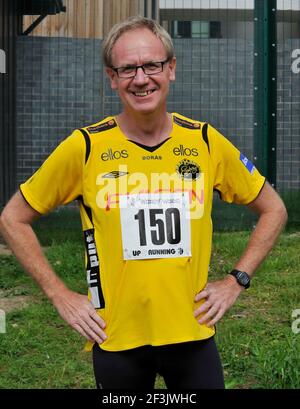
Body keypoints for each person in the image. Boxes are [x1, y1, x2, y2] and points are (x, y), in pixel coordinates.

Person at [0, 16, 287, 389]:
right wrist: (59, 295)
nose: (141, 78)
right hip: (117, 337)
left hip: (193, 333)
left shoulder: (204, 142)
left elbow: (274, 208)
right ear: (112, 77)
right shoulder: (85, 147)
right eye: (127, 68)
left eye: (152, 65)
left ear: (171, 70)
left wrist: (236, 280)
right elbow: (12, 218)